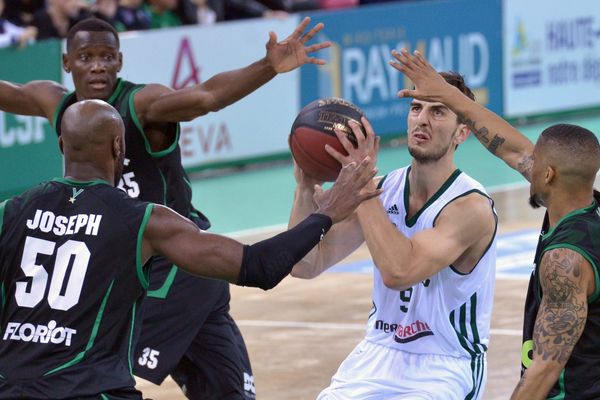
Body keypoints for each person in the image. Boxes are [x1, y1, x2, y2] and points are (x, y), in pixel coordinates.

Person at [0, 16, 331, 400]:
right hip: (142, 263)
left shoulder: (142, 104)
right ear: (67, 62)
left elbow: (207, 98)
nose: (97, 66)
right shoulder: (57, 103)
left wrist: (268, 66)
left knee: (84, 363)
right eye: (86, 57)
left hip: (176, 263)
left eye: (107, 57)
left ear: (120, 62)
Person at [391, 48, 600, 400]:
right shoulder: (584, 203)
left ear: (547, 174)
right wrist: (447, 96)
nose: (526, 165)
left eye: (535, 165)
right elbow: (511, 149)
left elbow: (545, 369)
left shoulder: (566, 260)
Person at [288, 75, 498, 398]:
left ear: (462, 132)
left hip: (442, 367)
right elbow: (305, 264)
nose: (422, 120)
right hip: (376, 354)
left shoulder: (471, 208)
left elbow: (398, 271)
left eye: (438, 111)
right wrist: (304, 187)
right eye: (416, 108)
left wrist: (364, 187)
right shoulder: (385, 190)